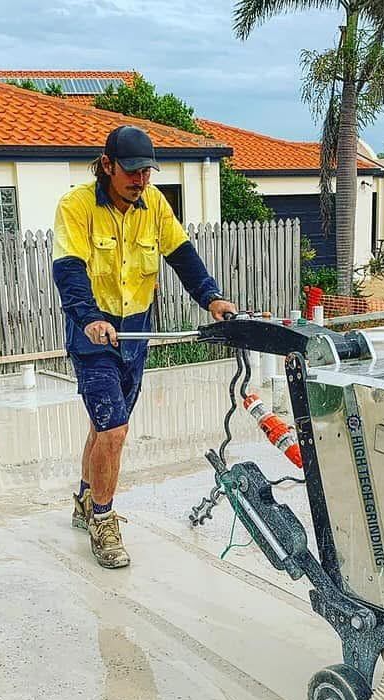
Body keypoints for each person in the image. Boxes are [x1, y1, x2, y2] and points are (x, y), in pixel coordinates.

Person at [52, 125, 236, 569]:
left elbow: (182, 256)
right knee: (114, 430)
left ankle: (83, 498)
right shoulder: (76, 207)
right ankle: (103, 519)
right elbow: (69, 271)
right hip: (92, 335)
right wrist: (90, 318)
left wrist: (211, 297)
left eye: (146, 172)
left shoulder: (153, 204)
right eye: (131, 171)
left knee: (103, 430)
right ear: (108, 165)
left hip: (134, 333)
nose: (140, 180)